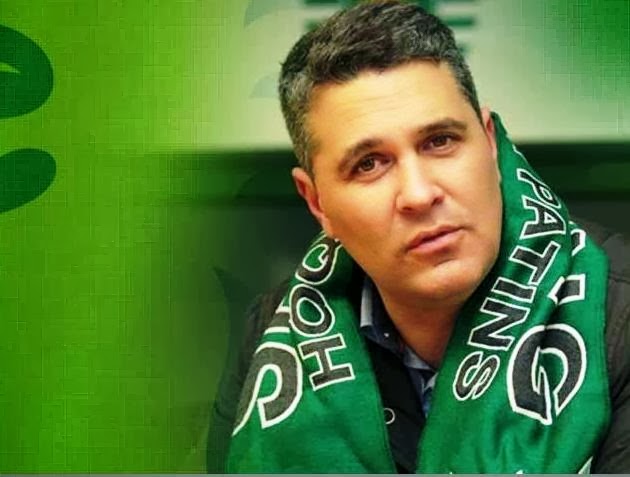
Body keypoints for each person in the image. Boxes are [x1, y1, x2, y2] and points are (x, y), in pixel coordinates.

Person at [208, 0, 630, 473]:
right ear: (317, 203)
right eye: (369, 164)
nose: (418, 194)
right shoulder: (273, 335)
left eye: (439, 142)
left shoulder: (619, 314)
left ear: (491, 145)